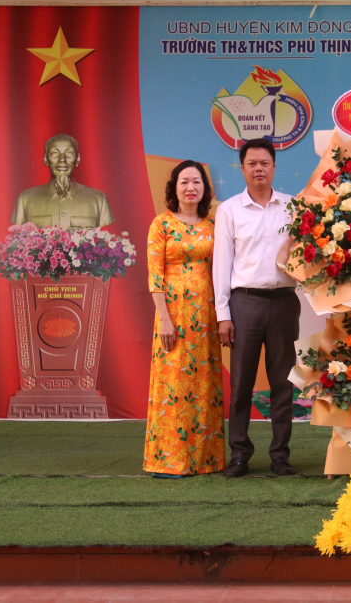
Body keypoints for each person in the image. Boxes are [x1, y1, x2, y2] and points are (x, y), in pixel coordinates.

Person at [213, 138, 300, 478]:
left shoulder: (293, 207)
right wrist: (223, 314)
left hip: (284, 303)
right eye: (252, 163)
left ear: (274, 167)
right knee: (241, 385)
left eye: (264, 163)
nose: (258, 169)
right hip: (244, 303)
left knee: (282, 383)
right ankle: (239, 454)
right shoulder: (229, 210)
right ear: (242, 168)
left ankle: (280, 455)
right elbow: (222, 265)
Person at [143, 160, 224, 478]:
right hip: (173, 316)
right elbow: (155, 276)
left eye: (197, 182)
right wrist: (164, 319)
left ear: (205, 189)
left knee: (203, 385)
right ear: (174, 188)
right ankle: (169, 460)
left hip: (206, 316)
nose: (191, 187)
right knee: (173, 384)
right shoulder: (161, 224)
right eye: (184, 182)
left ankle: (206, 459)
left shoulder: (213, 226)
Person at [11, 133, 114, 230]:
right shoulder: (25, 200)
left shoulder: (99, 200)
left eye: (69, 153)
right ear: (46, 159)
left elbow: (107, 238)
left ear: (77, 159)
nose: (62, 159)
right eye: (54, 153)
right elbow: (17, 239)